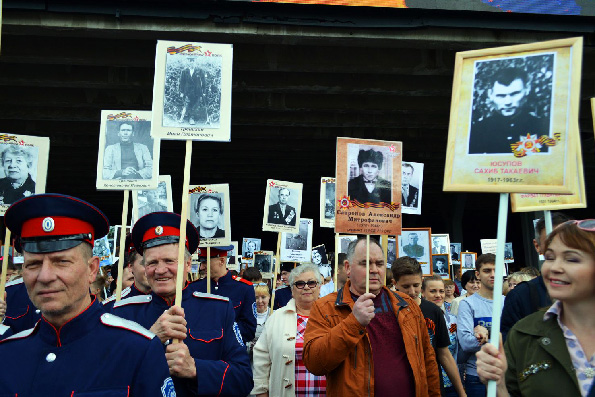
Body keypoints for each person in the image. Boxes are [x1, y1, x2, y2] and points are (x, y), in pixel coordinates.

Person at [0, 193, 173, 395]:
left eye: (61, 262)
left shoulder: (137, 349)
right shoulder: (6, 353)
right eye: (34, 264)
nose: (45, 276)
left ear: (92, 269)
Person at [112, 212, 253, 396]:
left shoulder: (219, 309)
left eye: (169, 261)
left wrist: (195, 369)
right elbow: (106, 379)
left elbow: (243, 379)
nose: (160, 270)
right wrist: (149, 339)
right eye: (152, 262)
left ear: (187, 264)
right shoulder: (120, 314)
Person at [303, 237, 441, 396]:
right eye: (365, 263)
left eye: (379, 263)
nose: (374, 269)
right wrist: (353, 323)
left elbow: (428, 361)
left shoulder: (407, 305)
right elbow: (315, 363)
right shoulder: (326, 307)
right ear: (348, 268)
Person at [476, 219, 595, 396]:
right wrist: (498, 384)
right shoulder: (523, 335)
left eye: (571, 259)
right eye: (549, 257)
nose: (554, 267)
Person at [392, 259, 465, 397]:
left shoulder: (433, 311)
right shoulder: (389, 311)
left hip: (432, 385)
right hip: (402, 386)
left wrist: (461, 392)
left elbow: (444, 354)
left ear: (422, 280)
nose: (412, 291)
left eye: (416, 285)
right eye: (406, 286)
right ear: (395, 283)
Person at [252, 263, 327, 396]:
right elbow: (261, 358)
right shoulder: (276, 318)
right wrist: (261, 391)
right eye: (300, 284)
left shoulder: (333, 317)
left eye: (311, 283)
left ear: (319, 287)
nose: (306, 287)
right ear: (292, 290)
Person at [501, 212, 571, 340]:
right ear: (537, 246)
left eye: (566, 240)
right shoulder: (520, 297)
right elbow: (511, 350)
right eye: (551, 242)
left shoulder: (588, 292)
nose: (559, 246)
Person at [468, 66, 550, 154]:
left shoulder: (544, 128)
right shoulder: (477, 131)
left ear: (527, 90)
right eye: (501, 96)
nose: (508, 102)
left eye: (515, 94)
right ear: (490, 95)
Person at [457, 253, 502, 396]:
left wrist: (486, 337)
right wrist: (499, 340)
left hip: (504, 373)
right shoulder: (467, 304)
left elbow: (516, 341)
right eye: (487, 271)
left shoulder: (508, 301)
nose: (493, 275)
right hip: (477, 375)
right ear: (478, 274)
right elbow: (466, 342)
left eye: (496, 270)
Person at [194, 245, 257, 343]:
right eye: (201, 262)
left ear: (222, 261)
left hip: (230, 353)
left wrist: (217, 334)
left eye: (205, 262)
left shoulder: (244, 288)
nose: (201, 267)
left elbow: (248, 330)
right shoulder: (194, 288)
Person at [103, 234, 151, 312]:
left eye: (168, 261)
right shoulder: (109, 309)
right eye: (145, 263)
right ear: (131, 267)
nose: (159, 269)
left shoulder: (175, 302)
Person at [178, 56, 207, 125]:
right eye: (190, 62)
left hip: (197, 91)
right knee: (187, 104)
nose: (192, 63)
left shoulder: (200, 71)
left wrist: (204, 92)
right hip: (188, 92)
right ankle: (183, 117)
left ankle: (191, 118)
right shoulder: (184, 71)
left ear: (195, 63)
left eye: (193, 62)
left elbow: (204, 82)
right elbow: (182, 82)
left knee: (195, 105)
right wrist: (181, 92)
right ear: (188, 63)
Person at [246, 283, 271, 363]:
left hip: (267, 361)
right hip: (249, 361)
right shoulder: (246, 315)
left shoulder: (275, 315)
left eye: (263, 297)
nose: (260, 301)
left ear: (269, 297)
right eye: (256, 298)